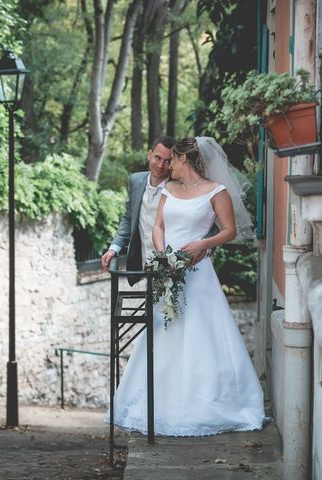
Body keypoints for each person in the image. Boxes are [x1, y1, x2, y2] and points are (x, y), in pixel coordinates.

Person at [111, 137, 264, 436]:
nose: (168, 165)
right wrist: (162, 255)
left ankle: (203, 403)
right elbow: (158, 226)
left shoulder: (216, 192)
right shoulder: (169, 189)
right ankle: (159, 402)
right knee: (164, 334)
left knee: (200, 336)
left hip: (198, 273)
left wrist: (203, 244)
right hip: (167, 271)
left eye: (173, 160)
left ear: (185, 159)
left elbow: (229, 230)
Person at [100, 136, 210, 278]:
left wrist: (204, 249)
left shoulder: (181, 186)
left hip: (177, 264)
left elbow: (207, 222)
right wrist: (113, 249)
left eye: (167, 161)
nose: (161, 165)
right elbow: (128, 219)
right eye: (157, 158)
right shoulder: (135, 180)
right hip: (146, 263)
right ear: (149, 154)